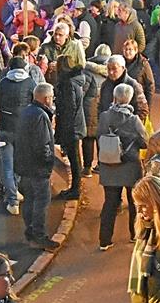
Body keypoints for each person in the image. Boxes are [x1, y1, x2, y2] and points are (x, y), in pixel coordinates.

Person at [97, 83, 146, 251]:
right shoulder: (133, 120)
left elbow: (99, 137)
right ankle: (135, 234)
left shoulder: (104, 116)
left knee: (110, 203)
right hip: (130, 165)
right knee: (134, 202)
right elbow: (144, 142)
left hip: (109, 164)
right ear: (130, 98)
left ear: (115, 97)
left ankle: (104, 240)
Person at [13, 84, 58, 251]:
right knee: (41, 201)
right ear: (46, 98)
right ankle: (39, 235)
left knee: (30, 200)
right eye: (51, 97)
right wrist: (48, 163)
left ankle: (30, 232)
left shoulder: (26, 112)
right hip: (38, 168)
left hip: (24, 166)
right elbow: (43, 145)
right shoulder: (41, 116)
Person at [0, 56, 36, 215]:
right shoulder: (30, 83)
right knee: (19, 162)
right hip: (23, 128)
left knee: (7, 164)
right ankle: (15, 189)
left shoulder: (3, 83)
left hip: (5, 126)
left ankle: (12, 200)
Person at [53, 54, 91, 201]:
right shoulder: (76, 81)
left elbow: (69, 108)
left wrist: (63, 130)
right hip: (76, 123)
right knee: (75, 157)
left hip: (71, 126)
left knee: (74, 158)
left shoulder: (68, 84)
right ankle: (76, 187)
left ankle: (75, 189)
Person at [82, 43, 112, 178]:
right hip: (105, 109)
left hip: (89, 108)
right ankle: (100, 164)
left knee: (88, 138)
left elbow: (83, 90)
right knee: (102, 138)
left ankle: (87, 167)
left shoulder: (88, 70)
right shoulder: (112, 72)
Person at [98, 54, 149, 120]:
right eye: (108, 69)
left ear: (123, 68)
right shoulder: (105, 85)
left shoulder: (133, 85)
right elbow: (100, 107)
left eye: (114, 69)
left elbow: (143, 110)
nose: (111, 72)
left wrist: (130, 124)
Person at [122, 37, 156, 114]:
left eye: (130, 49)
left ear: (136, 50)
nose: (127, 52)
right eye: (125, 49)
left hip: (138, 101)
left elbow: (150, 85)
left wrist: (148, 105)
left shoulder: (143, 64)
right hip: (123, 100)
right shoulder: (120, 62)